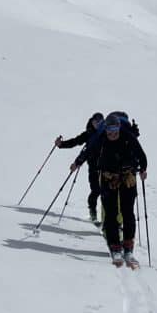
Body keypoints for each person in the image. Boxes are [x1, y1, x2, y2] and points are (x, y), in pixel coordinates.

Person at [80, 111, 148, 267]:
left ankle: (128, 248)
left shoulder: (127, 136)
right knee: (110, 213)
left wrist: (143, 169)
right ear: (106, 130)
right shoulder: (101, 138)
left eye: (115, 131)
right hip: (108, 178)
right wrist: (77, 162)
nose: (112, 134)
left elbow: (141, 155)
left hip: (127, 177)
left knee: (128, 212)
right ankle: (115, 246)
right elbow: (88, 150)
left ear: (119, 128)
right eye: (109, 131)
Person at [55, 113, 105, 226]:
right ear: (92, 122)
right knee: (96, 190)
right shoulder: (89, 133)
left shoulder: (107, 133)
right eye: (95, 121)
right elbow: (75, 141)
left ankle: (106, 219)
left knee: (106, 193)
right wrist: (61, 144)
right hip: (93, 166)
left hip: (106, 167)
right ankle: (93, 213)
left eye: (99, 121)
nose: (97, 124)